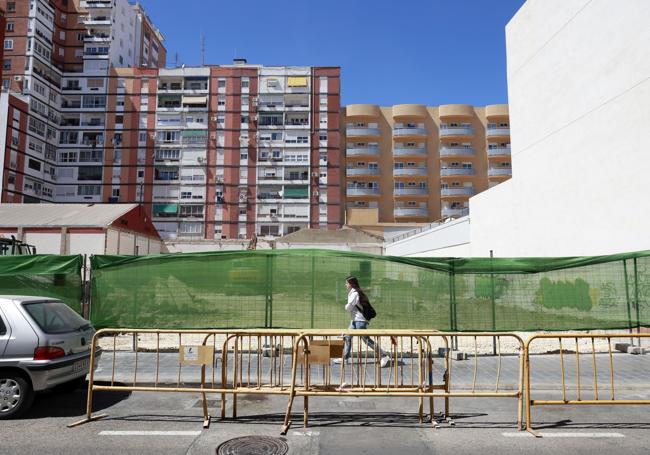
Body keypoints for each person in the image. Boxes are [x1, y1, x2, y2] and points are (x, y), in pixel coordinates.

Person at [334, 276, 390, 367]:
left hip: (360, 320)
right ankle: (345, 358)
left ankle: (384, 355)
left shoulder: (355, 293)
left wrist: (345, 306)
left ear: (351, 284)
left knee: (366, 340)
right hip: (354, 320)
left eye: (347, 283)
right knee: (347, 337)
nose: (345, 285)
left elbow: (349, 307)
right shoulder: (354, 292)